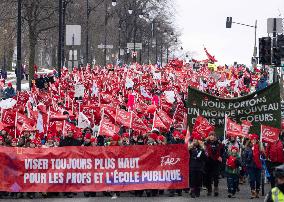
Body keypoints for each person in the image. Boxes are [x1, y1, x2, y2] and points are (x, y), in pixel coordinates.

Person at [204, 131, 224, 197]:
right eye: (210, 135)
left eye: (213, 135)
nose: (211, 136)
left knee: (216, 176)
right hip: (208, 162)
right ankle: (209, 189)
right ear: (209, 136)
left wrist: (220, 156)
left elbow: (222, 151)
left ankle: (216, 188)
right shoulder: (206, 143)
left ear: (215, 136)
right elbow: (204, 151)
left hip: (216, 162)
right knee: (208, 177)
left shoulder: (218, 143)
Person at [244, 134, 263, 199]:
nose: (254, 141)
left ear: (257, 140)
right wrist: (251, 153)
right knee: (252, 179)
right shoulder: (248, 148)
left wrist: (261, 152)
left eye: (255, 139)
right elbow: (245, 158)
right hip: (251, 166)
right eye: (252, 139)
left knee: (258, 180)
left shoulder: (260, 147)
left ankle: (257, 192)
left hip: (258, 166)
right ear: (250, 140)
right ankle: (253, 192)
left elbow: (263, 156)